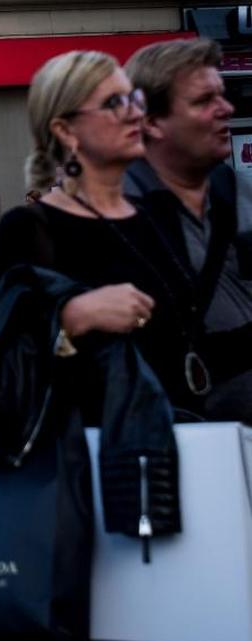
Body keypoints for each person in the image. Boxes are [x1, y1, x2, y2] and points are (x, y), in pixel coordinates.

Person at [0, 50, 207, 415]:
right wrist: (72, 317)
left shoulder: (161, 214)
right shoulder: (28, 231)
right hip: (86, 452)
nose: (135, 112)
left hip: (183, 440)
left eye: (135, 98)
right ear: (66, 130)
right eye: (114, 103)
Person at [123, 38, 252, 423]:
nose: (225, 109)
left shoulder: (228, 186)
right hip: (186, 445)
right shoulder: (117, 212)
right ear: (149, 121)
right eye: (203, 101)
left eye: (222, 95)